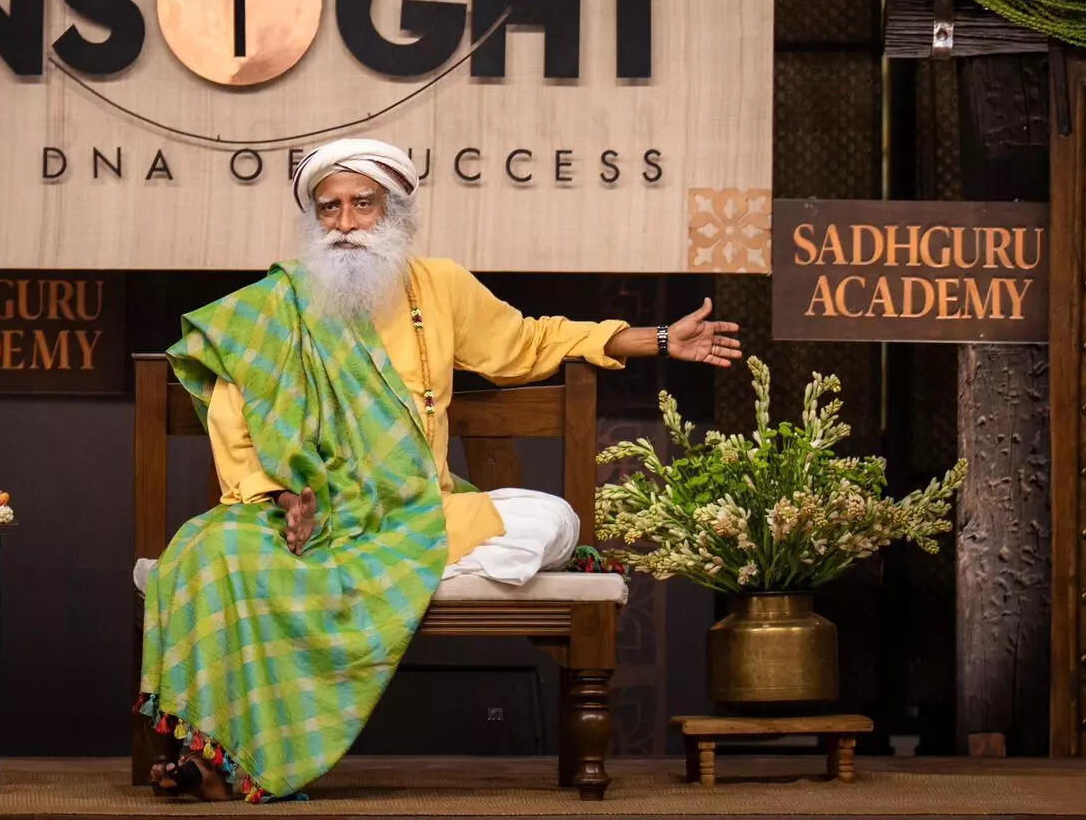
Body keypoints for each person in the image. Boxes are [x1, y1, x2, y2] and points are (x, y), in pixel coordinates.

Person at [138, 138, 740, 801]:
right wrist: (280, 497)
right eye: (329, 208)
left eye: (362, 204)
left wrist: (656, 339)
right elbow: (235, 406)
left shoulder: (439, 286)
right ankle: (217, 756)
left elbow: (527, 342)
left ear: (394, 211)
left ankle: (374, 574)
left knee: (553, 520)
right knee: (208, 550)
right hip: (306, 517)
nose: (345, 223)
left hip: (416, 510)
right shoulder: (274, 306)